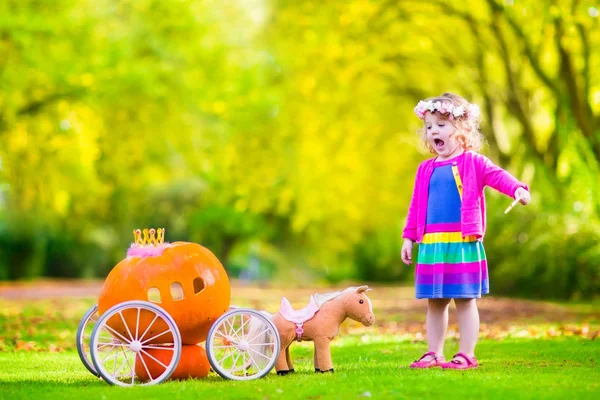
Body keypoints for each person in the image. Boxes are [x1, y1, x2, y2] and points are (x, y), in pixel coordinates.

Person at [401, 93, 531, 370]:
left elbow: (498, 176)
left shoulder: (474, 163)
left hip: (462, 242)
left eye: (441, 125)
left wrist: (518, 188)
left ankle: (466, 354)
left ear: (460, 130)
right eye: (429, 127)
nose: (433, 131)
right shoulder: (425, 169)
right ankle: (433, 353)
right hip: (433, 244)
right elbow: (416, 206)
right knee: (435, 303)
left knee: (464, 300)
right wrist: (409, 237)